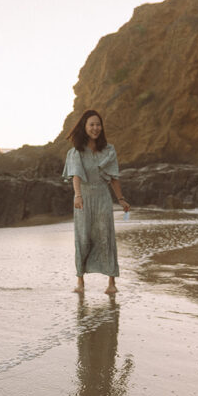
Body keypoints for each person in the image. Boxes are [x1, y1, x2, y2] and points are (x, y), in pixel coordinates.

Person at [62, 109, 131, 294]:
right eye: (91, 124)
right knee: (83, 238)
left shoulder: (109, 150)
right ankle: (80, 281)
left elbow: (113, 177)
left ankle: (111, 283)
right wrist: (77, 195)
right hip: (83, 199)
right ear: (84, 127)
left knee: (105, 237)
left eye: (98, 124)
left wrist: (121, 199)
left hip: (102, 198)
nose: (95, 128)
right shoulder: (76, 152)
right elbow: (76, 175)